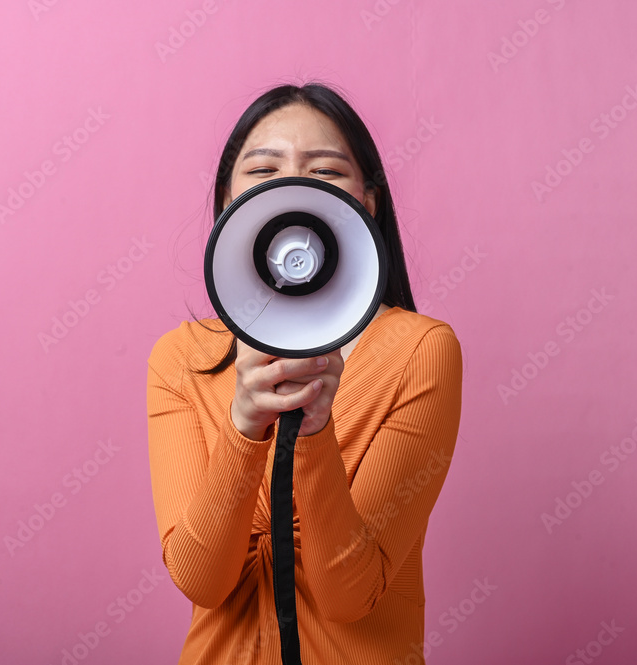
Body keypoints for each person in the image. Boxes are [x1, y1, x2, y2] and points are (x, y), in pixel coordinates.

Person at [147, 81, 463, 664]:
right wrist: (243, 429)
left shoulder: (421, 351)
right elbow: (201, 581)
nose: (292, 188)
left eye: (325, 171)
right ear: (226, 201)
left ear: (367, 202)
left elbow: (351, 594)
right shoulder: (180, 359)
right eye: (264, 170)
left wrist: (315, 431)